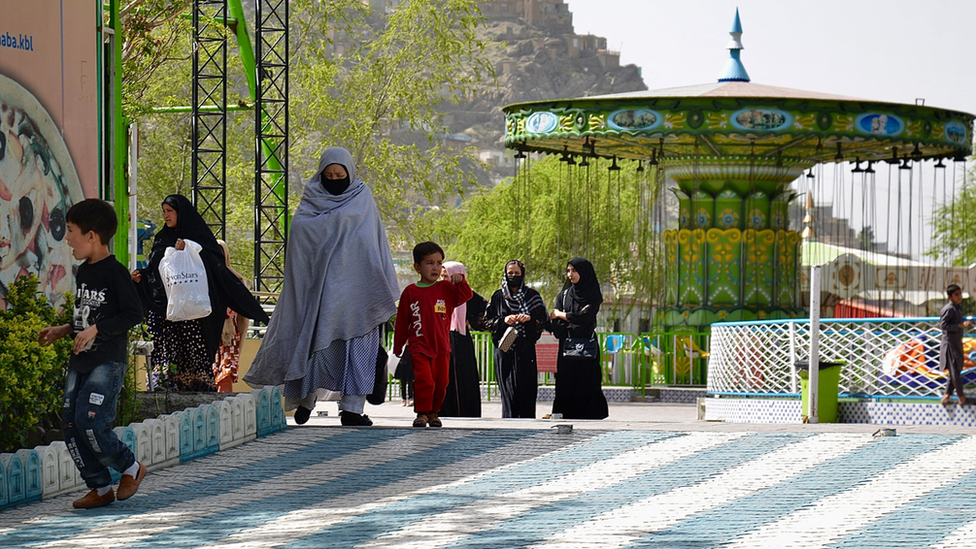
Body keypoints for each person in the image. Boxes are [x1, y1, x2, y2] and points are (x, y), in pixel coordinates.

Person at [244, 147, 399, 427]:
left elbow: (372, 243)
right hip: (321, 298)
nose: (334, 179)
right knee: (316, 350)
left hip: (357, 297)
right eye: (328, 175)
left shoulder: (362, 199)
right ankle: (305, 401)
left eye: (340, 175)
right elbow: (301, 241)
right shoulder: (310, 200)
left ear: (349, 174)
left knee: (357, 356)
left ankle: (352, 410)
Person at [38, 199, 147, 509]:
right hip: (81, 359)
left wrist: (96, 330)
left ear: (91, 235)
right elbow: (87, 316)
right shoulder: (84, 271)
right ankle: (99, 487)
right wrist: (64, 329)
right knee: (70, 424)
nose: (67, 238)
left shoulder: (115, 272)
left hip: (107, 361)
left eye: (71, 231)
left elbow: (132, 314)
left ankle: (130, 467)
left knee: (91, 421)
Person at [132, 195, 268, 392]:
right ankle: (163, 386)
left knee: (194, 354)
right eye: (163, 212)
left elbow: (215, 267)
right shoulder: (162, 239)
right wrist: (142, 277)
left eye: (169, 211)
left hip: (192, 317)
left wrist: (189, 250)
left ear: (181, 212)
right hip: (166, 315)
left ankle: (196, 391)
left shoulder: (199, 238)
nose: (165, 216)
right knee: (166, 355)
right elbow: (157, 272)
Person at [393, 242, 473, 428]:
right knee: (424, 380)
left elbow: (465, 295)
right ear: (417, 267)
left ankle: (434, 413)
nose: (435, 267)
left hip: (442, 347)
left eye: (439, 263)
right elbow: (402, 322)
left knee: (441, 382)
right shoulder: (410, 292)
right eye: (430, 263)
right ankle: (421, 413)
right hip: (419, 346)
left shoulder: (446, 289)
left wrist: (460, 281)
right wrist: (398, 346)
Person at [483, 260, 548, 418]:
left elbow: (544, 321)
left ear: (522, 275)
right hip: (504, 350)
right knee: (509, 393)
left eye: (517, 274)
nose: (513, 276)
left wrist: (529, 319)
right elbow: (486, 322)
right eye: (510, 273)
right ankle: (509, 426)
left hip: (526, 351)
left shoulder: (532, 296)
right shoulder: (498, 297)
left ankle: (527, 428)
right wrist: (503, 320)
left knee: (527, 391)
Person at [548, 257, 608, 419]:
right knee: (566, 381)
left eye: (574, 271)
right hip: (566, 348)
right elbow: (556, 325)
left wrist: (562, 315)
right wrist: (573, 321)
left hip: (587, 348)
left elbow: (586, 320)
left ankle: (590, 414)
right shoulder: (564, 295)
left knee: (588, 381)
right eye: (568, 271)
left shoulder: (592, 296)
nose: (570, 274)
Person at [439, 261, 487, 418]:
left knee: (464, 378)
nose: (444, 278)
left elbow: (486, 312)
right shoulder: (438, 293)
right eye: (442, 275)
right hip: (443, 339)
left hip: (461, 340)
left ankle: (466, 412)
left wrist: (470, 321)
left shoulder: (469, 295)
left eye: (447, 275)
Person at [213, 240, 250, 393]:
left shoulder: (236, 280)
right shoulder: (205, 278)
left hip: (229, 337)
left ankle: (223, 410)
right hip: (211, 336)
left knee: (226, 373)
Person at [940, 284, 973, 405]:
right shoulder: (949, 309)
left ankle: (946, 396)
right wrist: (960, 325)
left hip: (956, 342)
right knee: (955, 371)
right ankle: (961, 397)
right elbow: (943, 325)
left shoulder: (957, 308)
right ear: (950, 297)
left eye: (960, 294)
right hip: (950, 343)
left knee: (955, 370)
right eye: (956, 295)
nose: (960, 297)